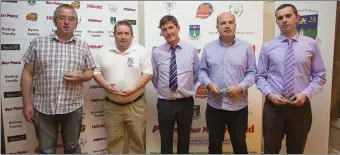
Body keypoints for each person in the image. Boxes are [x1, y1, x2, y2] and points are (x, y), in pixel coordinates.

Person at [20, 4, 95, 154]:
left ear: (76, 23)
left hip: (72, 107)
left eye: (71, 19)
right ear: (55, 21)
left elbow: (90, 72)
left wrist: (80, 77)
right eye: (62, 18)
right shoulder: (38, 43)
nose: (66, 22)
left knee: (72, 148)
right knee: (46, 150)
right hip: (43, 107)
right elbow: (27, 74)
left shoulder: (83, 46)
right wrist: (27, 103)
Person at [255, 4, 327, 154]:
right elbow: (260, 76)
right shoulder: (268, 47)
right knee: (270, 149)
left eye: (288, 16)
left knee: (296, 150)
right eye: (280, 18)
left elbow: (319, 75)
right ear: (277, 21)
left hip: (300, 108)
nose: (284, 20)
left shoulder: (311, 44)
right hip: (273, 108)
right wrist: (270, 94)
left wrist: (305, 94)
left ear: (297, 18)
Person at [197, 12, 257, 154]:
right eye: (223, 23)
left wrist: (240, 87)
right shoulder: (208, 48)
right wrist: (209, 84)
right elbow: (201, 71)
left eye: (230, 22)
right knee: (214, 145)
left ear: (235, 25)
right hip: (215, 106)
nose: (227, 25)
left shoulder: (246, 47)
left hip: (238, 107)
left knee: (240, 145)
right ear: (217, 27)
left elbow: (252, 73)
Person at [93, 20, 152, 154]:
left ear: (132, 35)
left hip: (135, 105)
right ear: (114, 35)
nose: (123, 36)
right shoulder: (104, 51)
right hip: (112, 106)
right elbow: (96, 71)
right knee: (114, 143)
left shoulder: (141, 51)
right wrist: (105, 85)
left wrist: (134, 88)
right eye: (119, 33)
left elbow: (148, 73)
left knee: (137, 142)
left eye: (126, 33)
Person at [151, 15, 199, 154]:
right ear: (162, 32)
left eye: (171, 27)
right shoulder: (157, 52)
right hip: (165, 103)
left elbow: (196, 74)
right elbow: (155, 77)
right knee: (165, 139)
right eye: (164, 29)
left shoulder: (191, 49)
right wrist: (166, 90)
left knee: (184, 139)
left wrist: (186, 88)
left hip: (186, 102)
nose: (168, 32)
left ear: (178, 28)